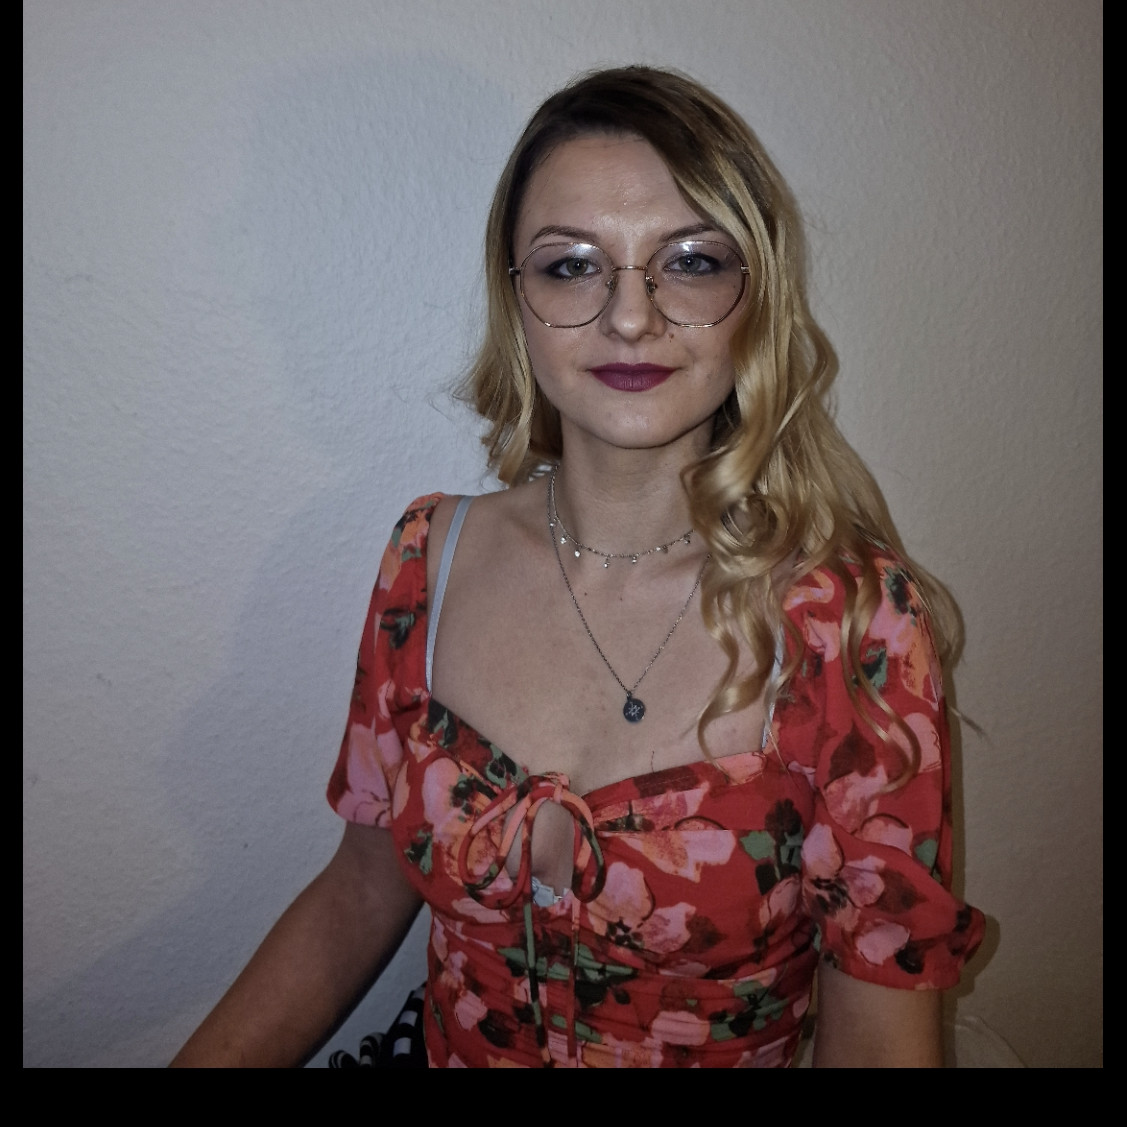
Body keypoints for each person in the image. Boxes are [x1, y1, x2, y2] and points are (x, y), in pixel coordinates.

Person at [172, 65, 983, 1069]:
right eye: (571, 266)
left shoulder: (854, 623)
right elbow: (361, 889)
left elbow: (878, 1037)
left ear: (756, 296)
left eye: (691, 261)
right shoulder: (425, 559)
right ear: (515, 299)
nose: (630, 316)